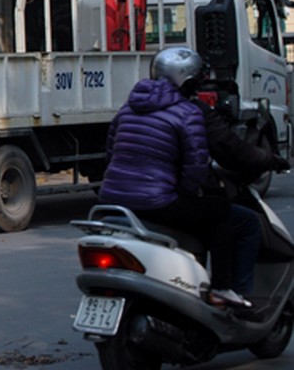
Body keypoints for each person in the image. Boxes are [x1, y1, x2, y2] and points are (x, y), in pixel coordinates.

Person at [97, 47, 246, 308]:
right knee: (220, 210)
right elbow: (197, 167)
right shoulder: (188, 113)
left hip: (112, 200)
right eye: (195, 82)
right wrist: (186, 191)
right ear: (186, 81)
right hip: (155, 203)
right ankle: (222, 288)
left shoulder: (127, 109)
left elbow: (110, 155)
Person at [191, 77, 290, 300]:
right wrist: (268, 159)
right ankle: (227, 290)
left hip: (118, 196)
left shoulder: (130, 109)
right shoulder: (191, 111)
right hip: (162, 198)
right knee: (236, 218)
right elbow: (230, 149)